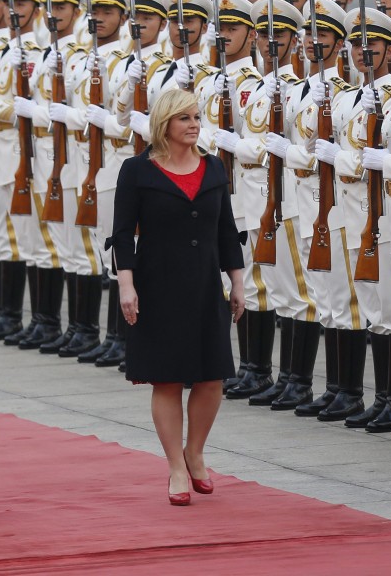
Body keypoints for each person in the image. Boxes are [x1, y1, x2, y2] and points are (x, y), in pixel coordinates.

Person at [111, 88, 244, 506]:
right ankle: (174, 467)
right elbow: (122, 233)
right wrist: (126, 285)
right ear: (164, 123)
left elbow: (226, 230)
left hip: (205, 285)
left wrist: (237, 281)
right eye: (184, 118)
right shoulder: (137, 171)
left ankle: (195, 452)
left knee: (211, 377)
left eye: (196, 117)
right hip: (156, 285)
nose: (193, 125)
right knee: (166, 378)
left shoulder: (214, 167)